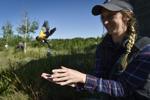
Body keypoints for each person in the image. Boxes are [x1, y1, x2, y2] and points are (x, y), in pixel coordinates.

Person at [41, 0, 150, 100]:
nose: (105, 22)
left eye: (111, 16)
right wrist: (73, 81)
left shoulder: (145, 49)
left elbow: (124, 89)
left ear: (126, 17)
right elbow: (99, 81)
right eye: (103, 17)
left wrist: (83, 78)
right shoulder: (102, 48)